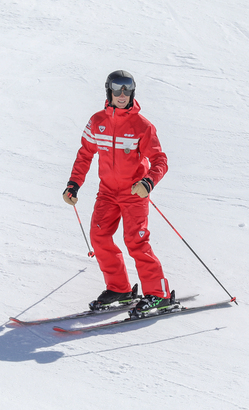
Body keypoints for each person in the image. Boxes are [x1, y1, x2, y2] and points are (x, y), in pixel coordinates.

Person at [62, 70, 173, 316]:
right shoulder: (97, 121)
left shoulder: (142, 126)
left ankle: (159, 294)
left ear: (132, 92)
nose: (121, 94)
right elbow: (85, 154)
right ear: (108, 91)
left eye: (127, 89)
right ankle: (119, 288)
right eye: (116, 88)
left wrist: (147, 182)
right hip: (107, 192)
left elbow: (159, 160)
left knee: (136, 242)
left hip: (134, 193)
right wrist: (74, 184)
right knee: (99, 237)